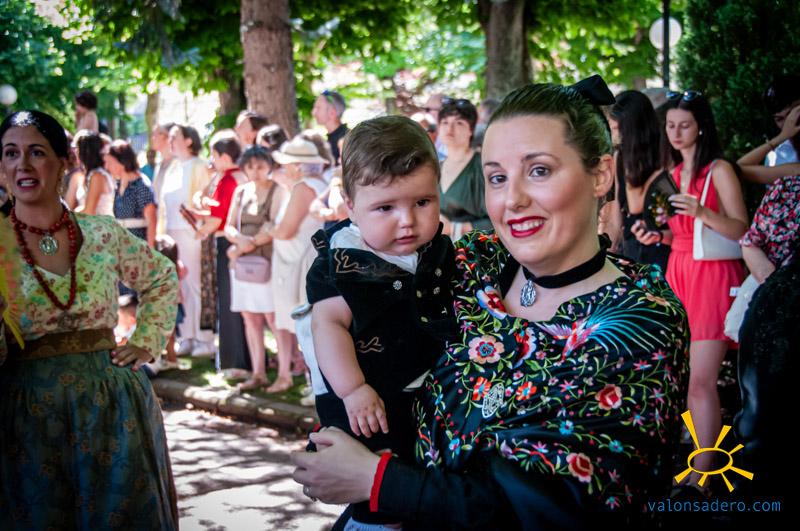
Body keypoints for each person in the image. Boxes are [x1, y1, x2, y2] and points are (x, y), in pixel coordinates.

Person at [292, 77, 689, 529]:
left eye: (539, 171)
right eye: (497, 178)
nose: (512, 200)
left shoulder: (637, 320)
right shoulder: (469, 264)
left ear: (600, 174)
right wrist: (341, 426)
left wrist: (376, 481)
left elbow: (566, 509)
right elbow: (358, 310)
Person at [0, 110, 178, 529]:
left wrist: (146, 340)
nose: (22, 165)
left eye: (36, 152)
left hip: (112, 407)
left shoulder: (101, 232)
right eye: (10, 153)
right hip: (27, 413)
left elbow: (161, 276)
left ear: (64, 162)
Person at [300, 115, 456, 528]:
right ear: (350, 205)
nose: (407, 220)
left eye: (422, 202)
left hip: (425, 394)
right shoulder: (342, 262)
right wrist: (353, 389)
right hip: (368, 398)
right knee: (378, 489)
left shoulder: (439, 252)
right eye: (385, 207)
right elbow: (329, 326)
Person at [660, 90, 747, 484]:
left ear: (701, 127)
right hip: (678, 270)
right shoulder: (672, 173)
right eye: (670, 125)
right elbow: (678, 235)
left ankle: (703, 477)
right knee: (684, 378)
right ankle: (699, 468)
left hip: (712, 275)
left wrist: (702, 212)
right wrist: (656, 234)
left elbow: (743, 229)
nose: (676, 132)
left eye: (685, 125)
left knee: (700, 380)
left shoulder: (719, 170)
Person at [247, 137, 328, 392]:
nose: (285, 168)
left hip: (300, 264)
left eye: (288, 164)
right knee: (306, 326)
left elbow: (285, 230)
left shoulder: (305, 187)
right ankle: (310, 382)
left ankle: (317, 386)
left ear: (297, 165)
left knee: (308, 327)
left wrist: (270, 230)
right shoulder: (312, 185)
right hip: (294, 261)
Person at [224, 146, 286, 390]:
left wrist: (248, 244)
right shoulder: (241, 191)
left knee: (273, 317)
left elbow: (273, 226)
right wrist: (240, 243)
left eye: (260, 166)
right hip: (243, 263)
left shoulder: (277, 191)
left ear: (269, 166)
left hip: (266, 261)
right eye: (250, 166)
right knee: (249, 317)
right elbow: (229, 226)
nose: (255, 171)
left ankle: (284, 373)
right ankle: (258, 372)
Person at [192, 131, 252, 376]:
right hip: (240, 241)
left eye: (214, 155)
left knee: (229, 302)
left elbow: (219, 217)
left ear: (225, 157)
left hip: (227, 242)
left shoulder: (228, 179)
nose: (212, 160)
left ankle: (234, 362)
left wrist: (201, 229)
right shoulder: (241, 175)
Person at [158, 124, 214, 357]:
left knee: (195, 283)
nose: (170, 141)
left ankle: (205, 338)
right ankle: (187, 335)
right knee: (180, 285)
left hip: (192, 232)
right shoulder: (173, 167)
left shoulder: (199, 166)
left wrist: (201, 228)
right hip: (172, 232)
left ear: (189, 140)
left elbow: (207, 200)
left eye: (175, 137)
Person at [607, 90, 672, 271]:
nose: (613, 135)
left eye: (616, 129)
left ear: (632, 128)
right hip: (631, 248)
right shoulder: (620, 157)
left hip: (663, 248)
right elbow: (617, 212)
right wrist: (609, 249)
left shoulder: (665, 156)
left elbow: (636, 206)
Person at [437, 97, 491, 239]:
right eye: (445, 122)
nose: (449, 129)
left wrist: (456, 228)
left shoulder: (482, 167)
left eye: (459, 123)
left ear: (471, 130)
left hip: (474, 247)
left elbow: (500, 218)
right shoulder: (436, 167)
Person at [105, 139, 157, 247]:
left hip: (139, 248)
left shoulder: (141, 185)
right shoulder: (118, 185)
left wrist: (150, 252)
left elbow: (152, 221)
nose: (107, 167)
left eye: (110, 162)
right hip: (122, 247)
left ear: (121, 162)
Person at [75, 130, 114, 216]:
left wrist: (68, 215)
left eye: (77, 148)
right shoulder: (89, 175)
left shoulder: (97, 176)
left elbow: (89, 211)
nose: (75, 152)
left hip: (101, 223)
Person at [312, 90, 348, 163]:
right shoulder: (331, 140)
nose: (313, 112)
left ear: (332, 112)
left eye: (318, 108)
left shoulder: (347, 141)